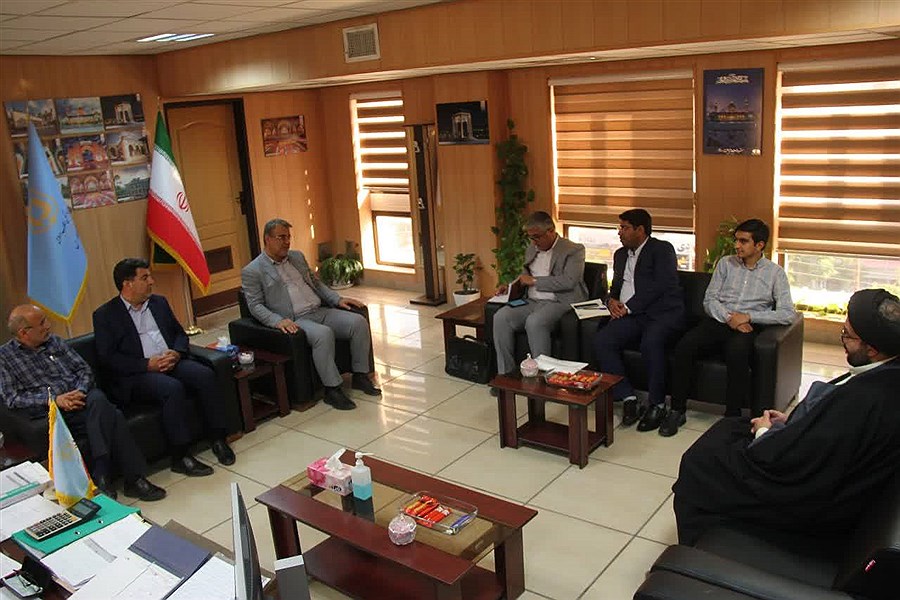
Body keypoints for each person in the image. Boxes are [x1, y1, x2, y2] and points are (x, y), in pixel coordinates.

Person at [673, 289, 900, 547]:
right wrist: (793, 422)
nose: (842, 340)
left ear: (872, 349)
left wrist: (767, 432)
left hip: (805, 499)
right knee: (730, 426)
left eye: (847, 335)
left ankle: (697, 551)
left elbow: (792, 461)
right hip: (814, 460)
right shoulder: (886, 373)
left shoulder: (864, 399)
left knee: (699, 462)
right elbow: (826, 435)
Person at [0, 305, 166, 502]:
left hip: (84, 400)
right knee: (112, 414)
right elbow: (12, 398)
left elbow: (83, 370)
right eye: (42, 323)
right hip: (53, 414)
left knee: (97, 400)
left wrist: (80, 391)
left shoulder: (55, 342)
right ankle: (133, 479)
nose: (48, 326)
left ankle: (101, 474)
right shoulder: (5, 358)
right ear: (24, 333)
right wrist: (55, 400)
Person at [93, 258, 235, 477]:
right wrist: (146, 364)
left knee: (205, 375)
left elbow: (179, 334)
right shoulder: (105, 315)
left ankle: (218, 438)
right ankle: (181, 455)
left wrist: (176, 353)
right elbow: (108, 358)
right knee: (171, 388)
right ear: (127, 284)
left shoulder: (158, 303)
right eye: (145, 277)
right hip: (138, 373)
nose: (151, 281)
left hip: (170, 360)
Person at [660, 219, 796, 437]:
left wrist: (748, 316)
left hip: (749, 326)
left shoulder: (775, 273)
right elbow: (709, 300)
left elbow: (787, 313)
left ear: (759, 245)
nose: (737, 245)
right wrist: (730, 318)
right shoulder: (725, 264)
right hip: (719, 320)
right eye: (736, 240)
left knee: (737, 351)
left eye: (743, 241)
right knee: (686, 345)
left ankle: (732, 418)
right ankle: (677, 410)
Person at [241, 218, 380, 411]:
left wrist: (337, 299)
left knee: (358, 322)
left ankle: (360, 375)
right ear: (267, 239)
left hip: (319, 310)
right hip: (296, 319)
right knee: (323, 334)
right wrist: (277, 321)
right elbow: (255, 305)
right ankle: (332, 389)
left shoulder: (297, 257)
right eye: (281, 237)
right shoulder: (253, 271)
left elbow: (316, 284)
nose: (287, 242)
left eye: (288, 237)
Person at [593, 208, 684, 431]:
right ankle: (628, 398)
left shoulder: (661, 250)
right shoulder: (620, 255)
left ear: (640, 230)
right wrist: (611, 302)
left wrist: (628, 307)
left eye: (624, 228)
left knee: (651, 342)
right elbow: (615, 287)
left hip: (661, 314)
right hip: (631, 315)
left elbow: (660, 286)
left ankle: (657, 404)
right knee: (603, 340)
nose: (619, 232)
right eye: (620, 228)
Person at [492, 211, 587, 375]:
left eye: (537, 237)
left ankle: (543, 377)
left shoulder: (573, 250)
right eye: (531, 237)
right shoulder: (532, 248)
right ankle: (505, 374)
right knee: (501, 317)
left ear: (551, 231)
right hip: (531, 301)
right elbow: (524, 274)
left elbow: (569, 281)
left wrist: (535, 281)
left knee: (535, 322)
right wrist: (510, 286)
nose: (534, 242)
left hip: (559, 302)